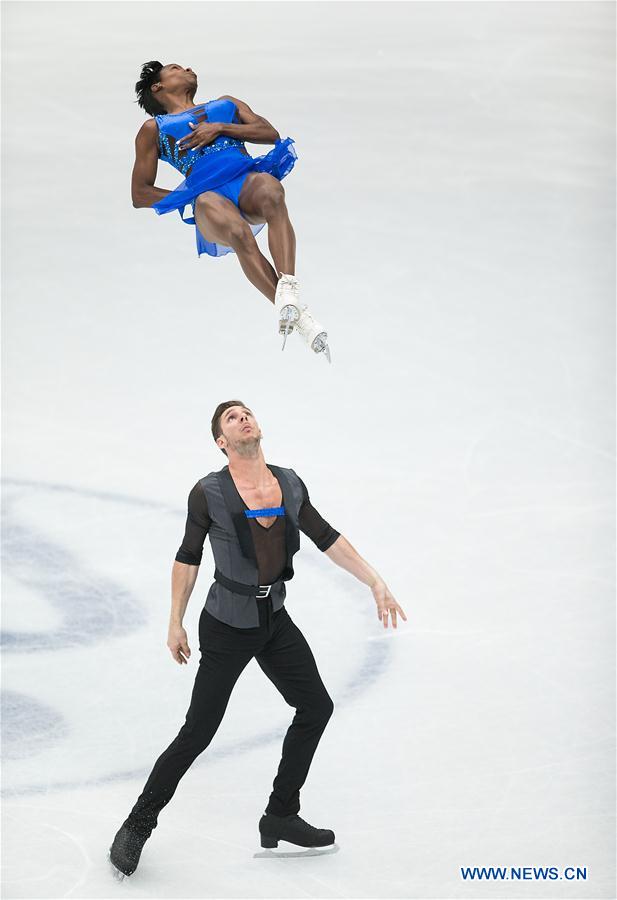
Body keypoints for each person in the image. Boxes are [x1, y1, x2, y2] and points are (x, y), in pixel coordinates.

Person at [108, 401, 407, 877]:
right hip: (226, 627)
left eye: (247, 413)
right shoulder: (209, 492)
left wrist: (373, 580)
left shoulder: (288, 482)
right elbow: (188, 557)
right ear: (221, 442)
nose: (244, 418)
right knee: (198, 732)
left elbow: (327, 537)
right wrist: (175, 621)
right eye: (232, 418)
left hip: (274, 621)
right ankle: (136, 826)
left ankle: (281, 814)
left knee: (316, 707)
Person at [131, 61, 330, 360]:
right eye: (175, 68)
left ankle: (288, 289)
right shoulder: (153, 129)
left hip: (244, 179)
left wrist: (221, 127)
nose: (187, 68)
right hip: (209, 197)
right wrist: (186, 198)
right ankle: (300, 319)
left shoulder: (226, 104)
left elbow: (269, 132)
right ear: (157, 86)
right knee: (238, 233)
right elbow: (140, 192)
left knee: (272, 192)